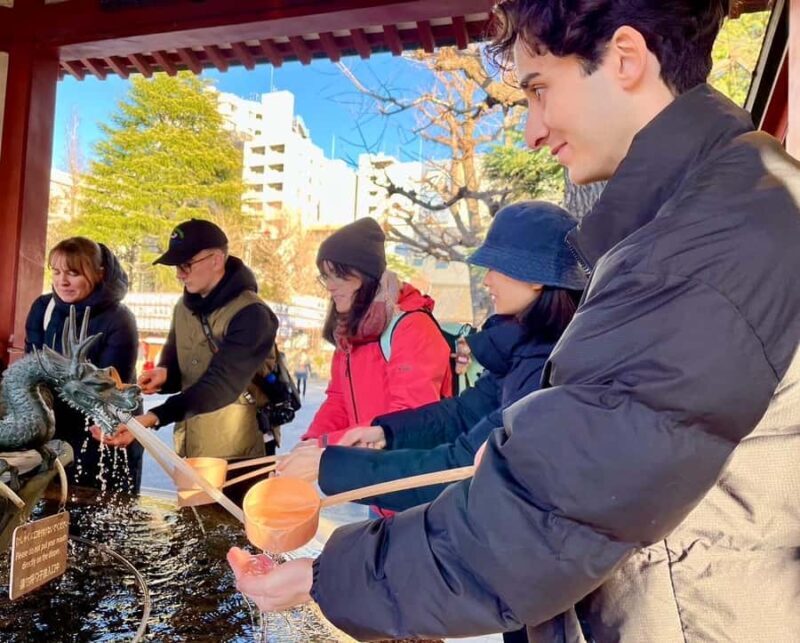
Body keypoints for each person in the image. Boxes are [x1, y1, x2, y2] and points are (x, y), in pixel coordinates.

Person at [229, 1, 800, 641]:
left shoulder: (701, 246)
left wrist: (326, 574)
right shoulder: (720, 209)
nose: (530, 129)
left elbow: (549, 508)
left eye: (538, 90)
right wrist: (379, 437)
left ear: (626, 59)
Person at [277, 201, 584, 517]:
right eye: (324, 276)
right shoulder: (522, 348)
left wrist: (331, 458)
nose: (486, 280)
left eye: (496, 267)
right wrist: (380, 432)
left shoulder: (551, 367)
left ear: (535, 277)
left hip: (415, 486)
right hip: (388, 476)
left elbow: (461, 465)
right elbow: (462, 413)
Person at [100, 219, 278, 464]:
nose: (179, 274)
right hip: (193, 444)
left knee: (234, 504)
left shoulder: (252, 314)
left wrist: (153, 417)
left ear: (216, 260)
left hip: (243, 450)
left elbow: (221, 384)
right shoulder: (183, 307)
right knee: (191, 505)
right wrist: (165, 376)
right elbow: (175, 367)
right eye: (175, 266)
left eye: (186, 264)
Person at [299, 217, 452, 448]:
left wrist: (325, 446)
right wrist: (310, 443)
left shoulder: (412, 327)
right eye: (326, 276)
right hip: (361, 466)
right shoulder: (349, 331)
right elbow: (338, 401)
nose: (330, 286)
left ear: (366, 275)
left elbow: (408, 419)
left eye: (339, 275)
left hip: (402, 470)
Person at [25, 237, 142, 493]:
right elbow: (30, 365)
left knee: (100, 510)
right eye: (56, 272)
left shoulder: (120, 318)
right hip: (52, 425)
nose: (62, 281)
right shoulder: (43, 307)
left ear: (99, 274)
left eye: (73, 273)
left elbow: (110, 382)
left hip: (100, 427)